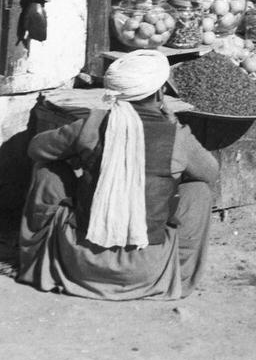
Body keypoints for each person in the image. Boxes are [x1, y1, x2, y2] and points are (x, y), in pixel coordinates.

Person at [16, 50, 218, 300]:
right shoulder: (177, 136)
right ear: (160, 92)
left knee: (47, 170)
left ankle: (38, 260)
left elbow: (36, 148)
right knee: (199, 191)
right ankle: (178, 275)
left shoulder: (90, 127)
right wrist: (174, 126)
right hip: (147, 270)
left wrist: (87, 133)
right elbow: (210, 172)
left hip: (80, 263)